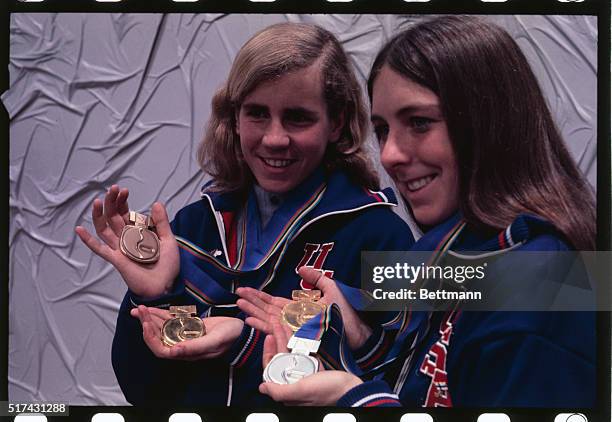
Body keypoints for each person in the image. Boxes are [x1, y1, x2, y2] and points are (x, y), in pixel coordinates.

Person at [239, 16, 596, 407]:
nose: (389, 155)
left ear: (489, 121)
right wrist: (360, 336)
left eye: (420, 122)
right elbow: (434, 381)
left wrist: (352, 399)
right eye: (383, 130)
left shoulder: (546, 285)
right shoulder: (470, 253)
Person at [75, 22, 415, 406]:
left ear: (336, 122)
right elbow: (145, 392)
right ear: (234, 118)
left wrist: (247, 343)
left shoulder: (383, 236)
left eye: (298, 117)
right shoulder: (193, 226)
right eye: (257, 113)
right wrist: (155, 297)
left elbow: (396, 390)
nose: (274, 138)